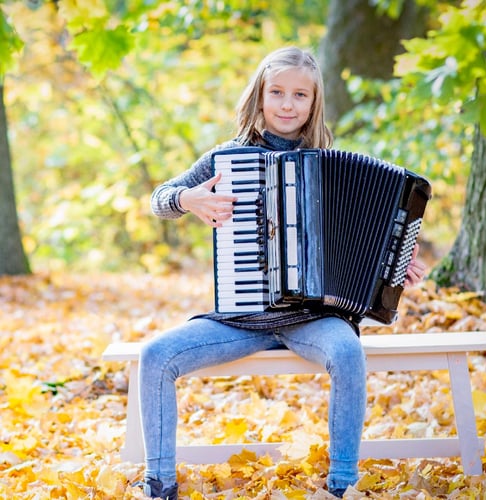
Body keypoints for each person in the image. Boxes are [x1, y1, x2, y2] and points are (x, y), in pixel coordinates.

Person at [133, 46, 426, 499]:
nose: (287, 105)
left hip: (313, 318)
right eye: (277, 92)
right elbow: (159, 198)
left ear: (313, 104)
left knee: (347, 353)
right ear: (260, 96)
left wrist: (395, 264)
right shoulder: (226, 159)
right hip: (242, 318)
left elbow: (367, 235)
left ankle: (342, 485)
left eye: (300, 95)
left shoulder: (328, 163)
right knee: (155, 356)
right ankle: (159, 485)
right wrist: (187, 200)